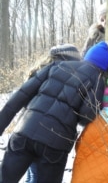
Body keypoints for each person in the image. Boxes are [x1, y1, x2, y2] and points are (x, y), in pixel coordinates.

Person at [0, 41, 108, 183]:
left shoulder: (57, 65)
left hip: (25, 131)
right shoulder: (97, 80)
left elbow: (21, 95)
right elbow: (87, 115)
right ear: (104, 67)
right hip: (55, 143)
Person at [23, 43, 82, 183]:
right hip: (51, 141)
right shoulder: (67, 80)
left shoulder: (37, 74)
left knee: (32, 176)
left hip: (27, 135)